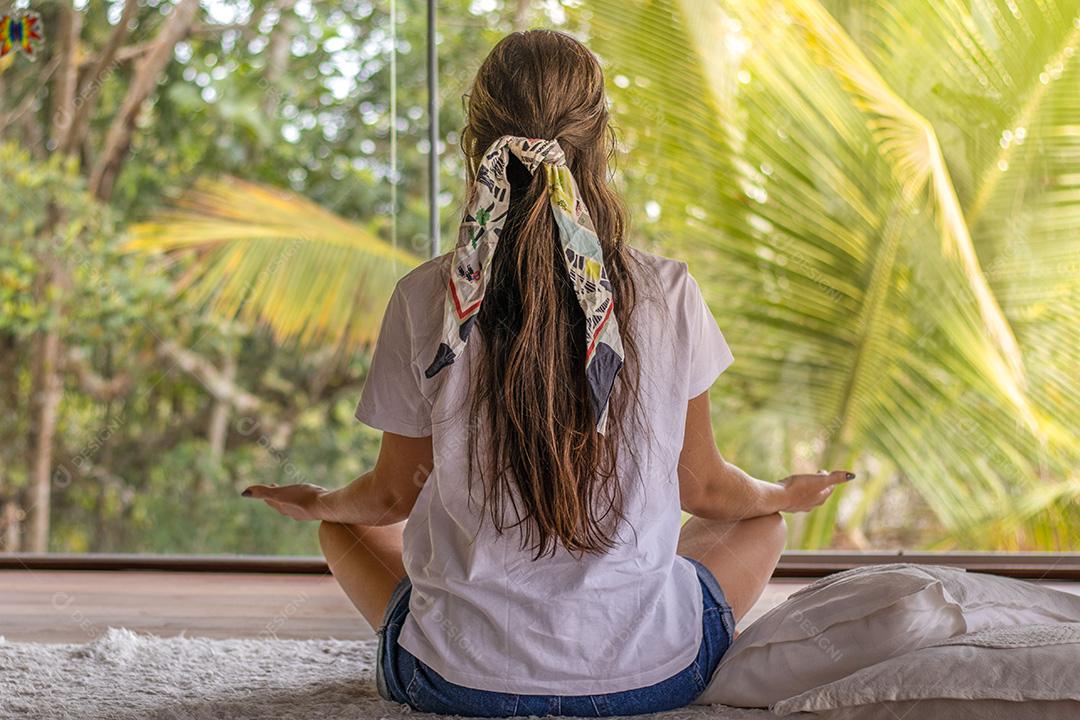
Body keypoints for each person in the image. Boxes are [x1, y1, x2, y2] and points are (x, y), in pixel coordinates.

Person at [242, 28, 851, 717]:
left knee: (341, 527)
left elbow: (388, 500)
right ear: (601, 138)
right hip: (649, 678)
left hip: (458, 684)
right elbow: (702, 485)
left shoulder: (428, 296)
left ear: (476, 142)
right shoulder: (667, 291)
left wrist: (317, 500)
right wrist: (782, 492)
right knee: (763, 524)